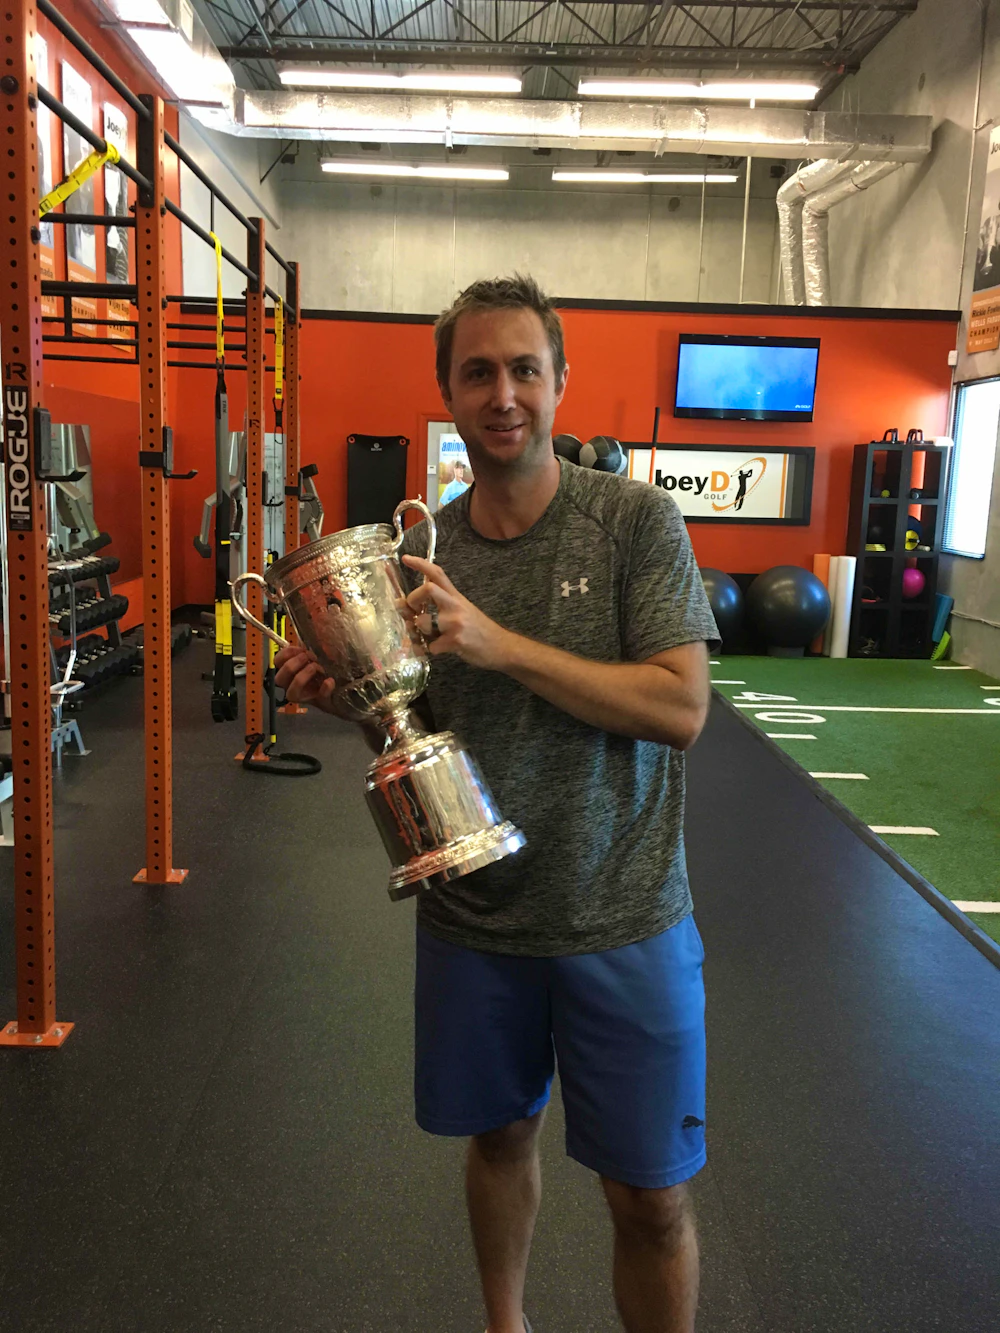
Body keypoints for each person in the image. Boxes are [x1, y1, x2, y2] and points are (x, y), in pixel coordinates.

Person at [275, 274, 720, 1333]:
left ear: (560, 382)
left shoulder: (633, 522)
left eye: (525, 369)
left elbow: (680, 708)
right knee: (499, 1140)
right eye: (478, 372)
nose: (503, 394)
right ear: (449, 393)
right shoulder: (414, 554)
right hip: (476, 918)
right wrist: (352, 701)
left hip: (623, 914)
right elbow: (420, 725)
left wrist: (498, 643)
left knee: (650, 1199)